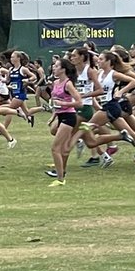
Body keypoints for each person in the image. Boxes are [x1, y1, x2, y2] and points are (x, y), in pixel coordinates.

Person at [45, 56, 84, 186]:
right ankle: (80, 136)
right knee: (62, 147)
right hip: (61, 116)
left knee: (55, 148)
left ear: (63, 69)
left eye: (56, 66)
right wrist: (53, 116)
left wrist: (62, 103)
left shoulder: (68, 84)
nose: (53, 68)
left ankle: (60, 179)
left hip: (69, 117)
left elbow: (79, 103)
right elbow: (55, 102)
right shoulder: (55, 83)